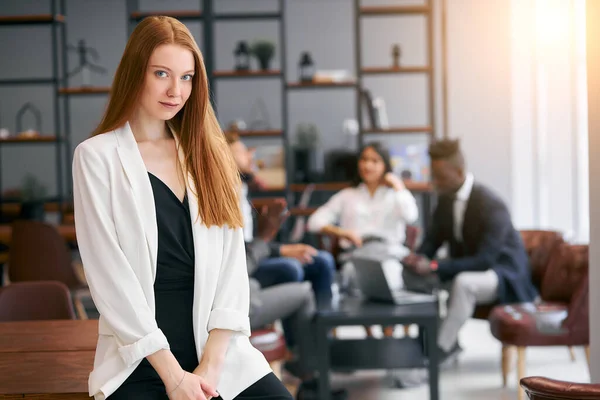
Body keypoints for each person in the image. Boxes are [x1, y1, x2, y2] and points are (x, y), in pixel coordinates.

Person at [73, 16, 291, 400]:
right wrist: (174, 376)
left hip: (217, 351)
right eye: (162, 73)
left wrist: (211, 365)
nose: (176, 90)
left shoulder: (209, 153)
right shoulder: (96, 157)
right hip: (139, 355)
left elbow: (231, 268)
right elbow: (109, 279)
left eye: (187, 77)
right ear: (135, 73)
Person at [402, 138, 538, 361]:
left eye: (440, 177)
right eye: (433, 176)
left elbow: (484, 260)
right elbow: (432, 241)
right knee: (416, 278)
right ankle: (431, 341)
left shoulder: (491, 203)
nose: (435, 182)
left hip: (502, 273)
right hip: (468, 268)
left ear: (458, 171)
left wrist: (435, 265)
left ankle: (437, 353)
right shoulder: (445, 201)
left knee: (464, 283)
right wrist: (418, 258)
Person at [247, 200, 347, 400]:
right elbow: (239, 261)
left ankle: (317, 353)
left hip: (247, 280)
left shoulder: (239, 188)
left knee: (318, 262)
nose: (254, 166)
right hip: (240, 297)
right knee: (302, 290)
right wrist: (264, 237)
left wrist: (272, 244)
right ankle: (308, 374)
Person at [225, 131, 336, 306]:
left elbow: (249, 244)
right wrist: (278, 248)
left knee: (322, 260)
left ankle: (322, 327)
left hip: (254, 256)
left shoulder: (242, 191)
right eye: (241, 151)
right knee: (289, 269)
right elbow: (237, 253)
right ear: (221, 154)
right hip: (241, 268)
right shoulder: (220, 197)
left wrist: (283, 249)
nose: (250, 155)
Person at [307, 142, 419, 292]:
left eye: (375, 161)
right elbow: (313, 222)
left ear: (385, 165)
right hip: (356, 256)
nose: (367, 166)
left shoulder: (395, 195)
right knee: (352, 279)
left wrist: (398, 186)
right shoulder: (347, 195)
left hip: (388, 255)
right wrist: (341, 232)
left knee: (391, 281)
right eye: (364, 160)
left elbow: (411, 216)